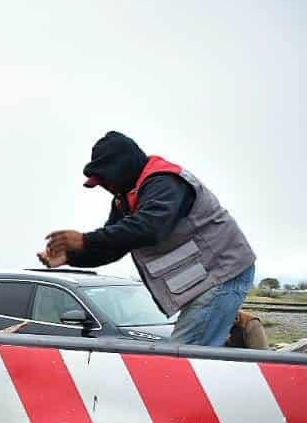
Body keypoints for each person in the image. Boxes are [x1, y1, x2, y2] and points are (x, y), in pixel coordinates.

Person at [39, 131, 256, 347]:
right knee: (193, 356)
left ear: (121, 167)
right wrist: (72, 258)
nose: (104, 186)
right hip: (207, 281)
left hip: (223, 273)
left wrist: (85, 240)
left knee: (182, 358)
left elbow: (150, 228)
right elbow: (112, 247)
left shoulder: (164, 182)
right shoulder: (125, 198)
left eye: (105, 178)